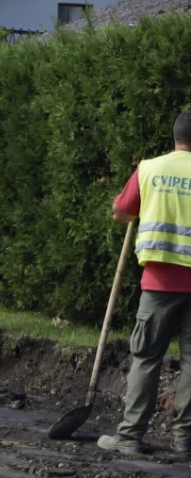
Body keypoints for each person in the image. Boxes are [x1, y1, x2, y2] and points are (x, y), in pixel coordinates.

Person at [99, 109, 191, 455]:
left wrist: (124, 205)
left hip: (159, 283)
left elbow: (121, 212)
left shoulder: (150, 169)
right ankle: (185, 441)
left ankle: (130, 436)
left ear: (175, 136)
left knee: (147, 358)